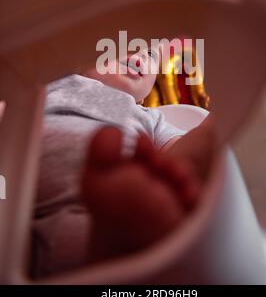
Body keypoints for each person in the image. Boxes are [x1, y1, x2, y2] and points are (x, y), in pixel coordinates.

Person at [32, 46, 215, 277]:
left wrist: (206, 133)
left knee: (190, 154)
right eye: (124, 44)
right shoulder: (57, 83)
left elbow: (177, 152)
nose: (139, 56)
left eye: (150, 55)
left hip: (118, 213)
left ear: (149, 88)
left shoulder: (149, 116)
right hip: (40, 206)